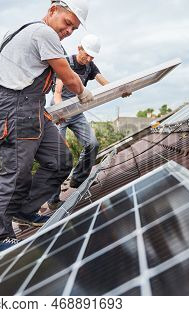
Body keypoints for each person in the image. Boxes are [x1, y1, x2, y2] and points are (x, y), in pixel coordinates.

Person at [0, 0, 94, 254]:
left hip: (33, 108)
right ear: (53, 9)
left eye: (73, 29)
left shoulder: (24, 33)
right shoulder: (43, 33)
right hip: (15, 108)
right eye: (67, 23)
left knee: (60, 160)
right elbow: (66, 74)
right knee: (16, 174)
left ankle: (26, 210)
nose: (68, 31)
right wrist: (82, 91)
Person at [47, 34, 131, 210]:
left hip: (77, 113)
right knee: (59, 156)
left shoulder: (90, 66)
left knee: (93, 144)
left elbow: (104, 82)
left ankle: (78, 178)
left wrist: (120, 90)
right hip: (59, 112)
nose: (89, 59)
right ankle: (53, 199)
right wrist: (60, 112)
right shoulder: (66, 63)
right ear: (79, 48)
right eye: (87, 54)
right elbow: (57, 93)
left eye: (92, 56)